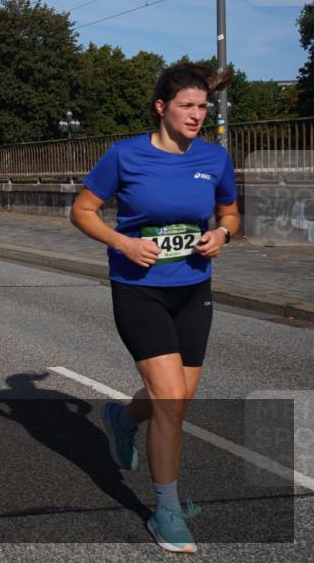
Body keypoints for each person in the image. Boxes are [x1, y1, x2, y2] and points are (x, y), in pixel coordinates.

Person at [70, 63, 239, 554]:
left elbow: (230, 211)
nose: (196, 115)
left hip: (193, 289)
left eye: (203, 106)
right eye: (186, 106)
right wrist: (122, 243)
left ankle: (123, 419)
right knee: (169, 400)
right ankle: (166, 510)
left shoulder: (214, 158)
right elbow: (82, 210)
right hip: (138, 288)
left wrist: (222, 234)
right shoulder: (125, 156)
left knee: (178, 400)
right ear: (161, 108)